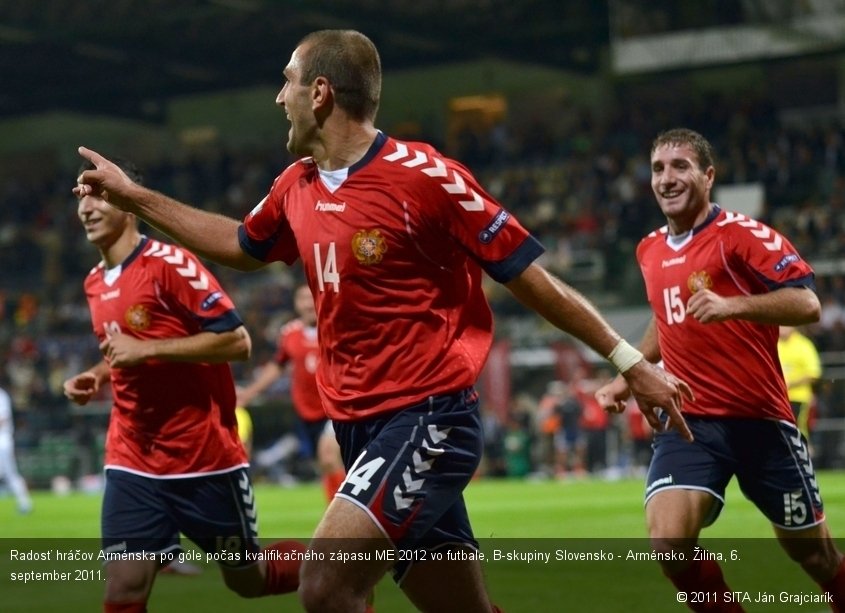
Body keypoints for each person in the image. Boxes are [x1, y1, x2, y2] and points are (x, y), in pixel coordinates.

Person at [73, 30, 692, 613]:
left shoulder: (426, 179)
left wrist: (630, 360)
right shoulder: (297, 184)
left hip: (428, 419)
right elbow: (241, 245)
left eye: (287, 81)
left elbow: (530, 277)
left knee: (325, 584)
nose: (278, 96)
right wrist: (134, 198)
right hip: (359, 429)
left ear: (319, 94)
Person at [595, 128, 845, 611]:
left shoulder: (742, 236)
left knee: (814, 555)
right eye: (658, 168)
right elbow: (666, 319)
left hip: (762, 422)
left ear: (708, 176)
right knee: (669, 542)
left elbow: (808, 303)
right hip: (691, 421)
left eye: (680, 166)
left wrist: (732, 306)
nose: (667, 178)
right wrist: (626, 375)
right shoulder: (648, 249)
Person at [63, 157, 303, 613]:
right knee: (124, 588)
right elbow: (125, 350)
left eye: (99, 197)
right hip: (131, 456)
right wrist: (94, 376)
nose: (87, 210)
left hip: (202, 458)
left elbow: (237, 340)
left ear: (128, 205)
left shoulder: (170, 263)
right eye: (82, 200)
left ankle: (337, 568)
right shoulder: (94, 282)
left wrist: (146, 352)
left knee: (249, 580)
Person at [237, 284, 346, 502]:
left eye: (310, 298)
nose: (307, 304)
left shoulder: (335, 327)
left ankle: (348, 518)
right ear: (296, 304)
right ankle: (339, 512)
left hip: (335, 407)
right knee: (327, 464)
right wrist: (248, 393)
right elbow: (277, 366)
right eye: (302, 299)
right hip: (306, 410)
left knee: (328, 456)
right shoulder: (289, 333)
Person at [777, 325, 822, 440]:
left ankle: (803, 454)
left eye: (785, 325)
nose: (782, 329)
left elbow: (814, 373)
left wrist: (791, 383)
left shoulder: (804, 345)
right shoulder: (774, 343)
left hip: (798, 399)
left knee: (798, 432)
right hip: (777, 399)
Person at [0, 381, 33, 514]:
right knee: (10, 474)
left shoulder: (1, 396)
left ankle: (25, 503)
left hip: (2, 442)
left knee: (11, 474)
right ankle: (25, 502)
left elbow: (2, 419)